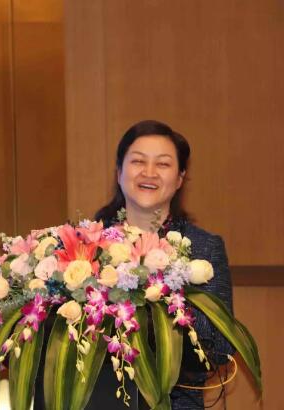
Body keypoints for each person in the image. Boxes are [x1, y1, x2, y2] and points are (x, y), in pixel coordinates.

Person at [88, 119, 236, 409]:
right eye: (138, 161)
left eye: (163, 164)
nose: (149, 172)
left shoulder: (204, 247)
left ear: (180, 179)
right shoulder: (87, 244)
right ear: (119, 172)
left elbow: (221, 346)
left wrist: (163, 303)